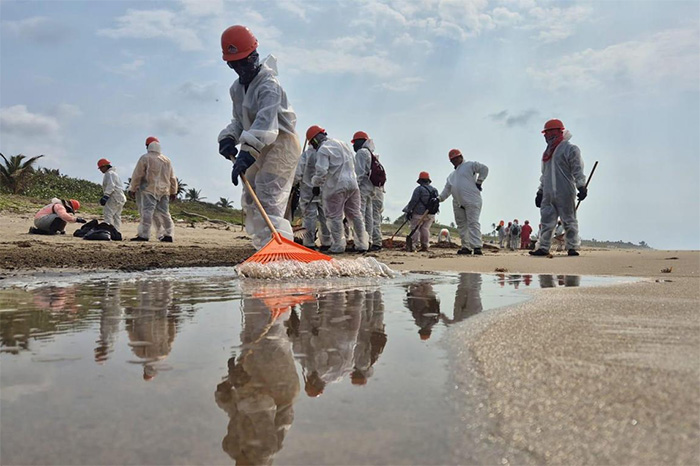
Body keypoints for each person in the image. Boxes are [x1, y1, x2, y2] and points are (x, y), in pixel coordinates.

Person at [217, 25, 301, 250]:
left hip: (281, 143)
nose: (240, 68)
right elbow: (239, 120)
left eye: (244, 61)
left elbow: (266, 123)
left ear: (254, 55)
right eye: (235, 64)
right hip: (256, 145)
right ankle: (265, 249)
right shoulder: (236, 89)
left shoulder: (269, 85)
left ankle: (279, 250)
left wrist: (247, 152)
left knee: (268, 195)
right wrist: (228, 137)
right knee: (252, 199)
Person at [307, 125, 368, 254]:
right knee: (356, 215)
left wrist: (316, 185)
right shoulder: (342, 144)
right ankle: (362, 244)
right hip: (353, 185)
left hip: (336, 187)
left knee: (334, 216)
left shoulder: (323, 149)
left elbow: (321, 170)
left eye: (312, 143)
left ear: (315, 140)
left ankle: (338, 246)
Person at [530, 119, 587, 257]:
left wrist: (581, 186)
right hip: (548, 193)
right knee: (546, 221)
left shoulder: (570, 149)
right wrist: (540, 191)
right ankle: (543, 247)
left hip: (565, 191)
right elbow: (545, 174)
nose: (545, 136)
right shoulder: (547, 153)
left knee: (569, 220)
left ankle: (572, 247)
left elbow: (577, 169)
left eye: (547, 133)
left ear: (556, 132)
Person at [438, 149, 489, 255]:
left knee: (473, 223)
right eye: (453, 160)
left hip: (472, 200)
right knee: (461, 225)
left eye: (456, 158)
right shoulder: (451, 176)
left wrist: (479, 182)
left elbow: (484, 169)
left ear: (461, 156)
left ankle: (476, 247)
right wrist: (438, 199)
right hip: (457, 203)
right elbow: (447, 190)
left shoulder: (470, 165)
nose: (455, 160)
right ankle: (466, 247)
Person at [128, 136, 177, 242]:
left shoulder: (145, 158)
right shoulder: (167, 160)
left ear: (147, 146)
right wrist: (174, 191)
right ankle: (169, 235)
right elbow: (172, 177)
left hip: (148, 189)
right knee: (165, 213)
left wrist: (133, 188)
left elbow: (138, 174)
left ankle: (144, 235)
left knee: (147, 212)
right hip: (164, 191)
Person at [351, 131, 384, 251]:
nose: (353, 145)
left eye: (354, 142)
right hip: (371, 189)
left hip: (363, 189)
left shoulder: (361, 153)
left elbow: (359, 173)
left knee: (360, 215)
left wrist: (354, 188)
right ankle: (368, 240)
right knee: (369, 216)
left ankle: (361, 243)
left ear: (360, 142)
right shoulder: (370, 153)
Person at [293, 147, 331, 250]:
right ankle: (327, 242)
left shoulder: (306, 155)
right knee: (325, 217)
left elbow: (298, 173)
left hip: (308, 192)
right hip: (323, 191)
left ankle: (309, 243)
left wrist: (294, 184)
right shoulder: (325, 153)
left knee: (309, 218)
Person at [402, 171, 439, 252]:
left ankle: (413, 245)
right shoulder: (434, 190)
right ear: (428, 180)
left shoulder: (419, 189)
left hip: (418, 213)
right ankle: (425, 245)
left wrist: (408, 211)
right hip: (430, 214)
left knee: (415, 228)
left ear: (420, 181)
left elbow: (413, 201)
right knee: (425, 229)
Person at [97, 158, 126, 235]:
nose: (100, 170)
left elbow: (111, 185)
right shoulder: (114, 174)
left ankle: (108, 232)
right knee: (117, 216)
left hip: (114, 197)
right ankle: (116, 232)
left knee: (108, 214)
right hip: (120, 198)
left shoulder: (109, 174)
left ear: (105, 166)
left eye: (100, 168)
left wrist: (106, 196)